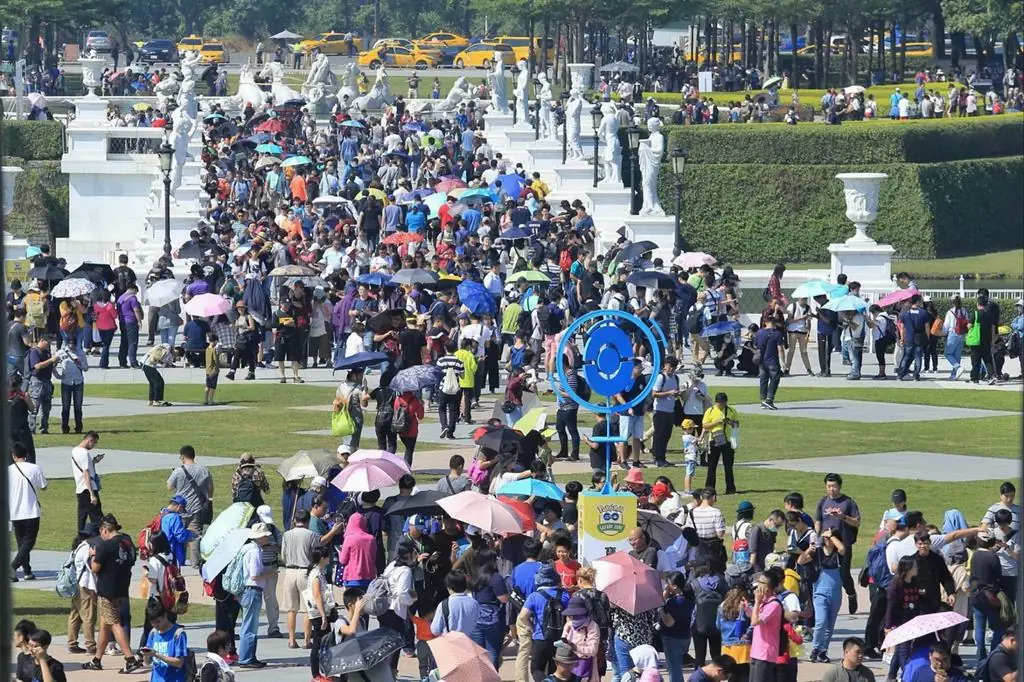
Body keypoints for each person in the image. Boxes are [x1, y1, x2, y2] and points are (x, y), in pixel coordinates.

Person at [82, 514, 141, 673]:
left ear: (104, 530)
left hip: (108, 591)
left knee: (114, 624)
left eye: (101, 532)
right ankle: (97, 660)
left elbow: (95, 568)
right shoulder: (127, 541)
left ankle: (130, 659)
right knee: (104, 624)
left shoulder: (105, 546)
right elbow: (132, 559)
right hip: (122, 587)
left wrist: (91, 557)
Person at [815, 473, 861, 614]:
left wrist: (843, 517)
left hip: (843, 543)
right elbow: (818, 521)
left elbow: (857, 522)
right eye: (829, 486)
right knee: (825, 572)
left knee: (844, 573)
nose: (832, 489)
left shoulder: (848, 502)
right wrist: (817, 536)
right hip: (827, 544)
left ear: (839, 486)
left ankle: (851, 594)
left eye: (834, 486)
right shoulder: (823, 502)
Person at [521, 564, 572, 682]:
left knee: (536, 668)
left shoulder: (534, 596)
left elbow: (523, 616)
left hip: (541, 637)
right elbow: (570, 618)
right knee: (555, 670)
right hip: (560, 638)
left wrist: (531, 627)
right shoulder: (564, 595)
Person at [166, 445, 213, 566]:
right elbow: (210, 488)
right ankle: (195, 562)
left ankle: (179, 561)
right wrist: (208, 499)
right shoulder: (203, 470)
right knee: (195, 535)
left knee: (179, 534)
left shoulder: (178, 471)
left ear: (182, 457)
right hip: (197, 507)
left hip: (180, 508)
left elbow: (169, 487)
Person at [238, 523, 274, 668]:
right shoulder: (254, 551)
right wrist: (269, 573)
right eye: (265, 536)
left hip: (248, 590)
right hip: (252, 590)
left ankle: (248, 656)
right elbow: (254, 575)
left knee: (249, 624)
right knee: (250, 625)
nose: (267, 538)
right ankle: (247, 658)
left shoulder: (247, 548)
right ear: (260, 537)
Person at [9, 442, 46, 581]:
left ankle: (27, 570)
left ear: (14, 455)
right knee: (29, 542)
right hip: (31, 511)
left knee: (21, 542)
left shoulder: (8, 470)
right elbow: (43, 486)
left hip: (15, 511)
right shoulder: (34, 468)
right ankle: (13, 566)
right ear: (26, 454)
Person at [305, 546, 335, 682]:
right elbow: (317, 595)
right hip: (318, 613)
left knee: (326, 642)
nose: (330, 559)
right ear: (322, 558)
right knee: (318, 643)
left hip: (322, 611)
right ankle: (316, 674)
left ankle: (324, 671)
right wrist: (323, 615)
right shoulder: (315, 574)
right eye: (328, 556)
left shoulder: (319, 572)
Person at [749, 569, 784, 682]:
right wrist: (747, 608)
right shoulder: (764, 602)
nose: (758, 584)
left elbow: (755, 621)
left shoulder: (773, 605)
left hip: (765, 653)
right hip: (756, 651)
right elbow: (754, 620)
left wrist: (757, 602)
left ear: (768, 587)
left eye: (761, 582)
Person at [141, 601, 188, 682]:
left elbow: (179, 663)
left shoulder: (178, 634)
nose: (156, 625)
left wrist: (157, 655)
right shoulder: (153, 633)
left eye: (158, 621)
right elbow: (147, 662)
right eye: (152, 623)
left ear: (165, 615)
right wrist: (146, 655)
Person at [702, 392, 739, 494]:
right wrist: (716, 422)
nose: (722, 405)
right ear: (716, 402)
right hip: (714, 440)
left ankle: (730, 489)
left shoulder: (731, 410)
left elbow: (737, 424)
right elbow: (705, 425)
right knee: (712, 467)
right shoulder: (710, 411)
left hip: (727, 441)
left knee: (728, 467)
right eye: (720, 404)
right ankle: (710, 489)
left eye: (724, 403)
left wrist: (731, 422)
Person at [431, 569, 480, 636]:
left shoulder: (444, 604)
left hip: (450, 643)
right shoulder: (474, 603)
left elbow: (435, 630)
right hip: (469, 641)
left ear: (449, 587)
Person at [72, 431, 104, 531]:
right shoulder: (85, 453)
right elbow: (86, 473)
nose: (94, 446)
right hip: (88, 488)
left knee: (82, 516)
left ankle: (80, 538)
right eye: (94, 443)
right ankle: (101, 539)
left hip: (80, 488)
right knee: (97, 516)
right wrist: (92, 494)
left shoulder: (75, 450)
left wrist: (93, 462)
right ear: (90, 440)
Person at [27, 338, 56, 434]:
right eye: (47, 343)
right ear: (41, 341)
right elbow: (37, 366)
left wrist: (54, 362)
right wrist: (50, 360)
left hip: (47, 381)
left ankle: (44, 427)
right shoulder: (34, 352)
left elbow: (49, 366)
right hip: (37, 381)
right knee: (34, 406)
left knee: (46, 407)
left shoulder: (47, 352)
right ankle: (31, 428)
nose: (48, 345)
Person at [755, 320, 784, 407]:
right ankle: (769, 399)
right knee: (775, 379)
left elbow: (756, 345)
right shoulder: (777, 333)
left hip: (762, 360)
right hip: (772, 360)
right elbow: (780, 349)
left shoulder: (759, 332)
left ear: (766, 322)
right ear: (774, 323)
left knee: (763, 380)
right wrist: (783, 362)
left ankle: (763, 399)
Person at [204, 333, 220, 405]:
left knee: (207, 386)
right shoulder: (213, 350)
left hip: (208, 370)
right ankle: (211, 400)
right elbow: (216, 360)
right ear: (215, 341)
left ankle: (206, 400)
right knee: (212, 387)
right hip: (213, 371)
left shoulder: (207, 349)